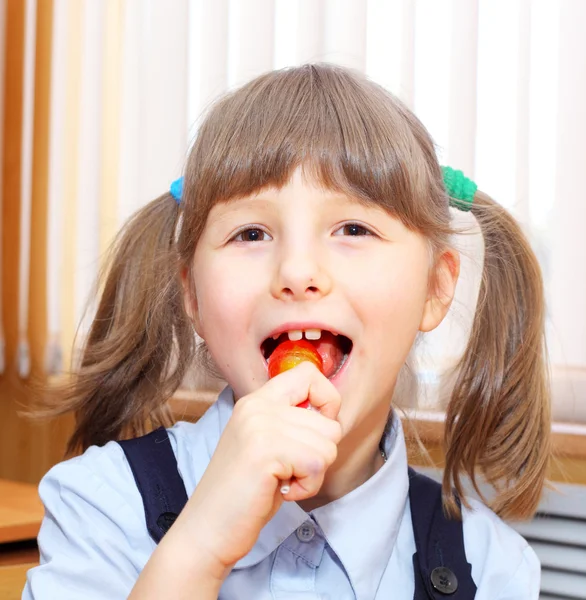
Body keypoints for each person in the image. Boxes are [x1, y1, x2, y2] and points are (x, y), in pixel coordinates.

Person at [23, 63, 550, 599]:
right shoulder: (100, 505)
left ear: (436, 289)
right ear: (193, 297)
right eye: (251, 233)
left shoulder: (492, 568)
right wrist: (200, 545)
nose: (297, 272)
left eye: (353, 228)